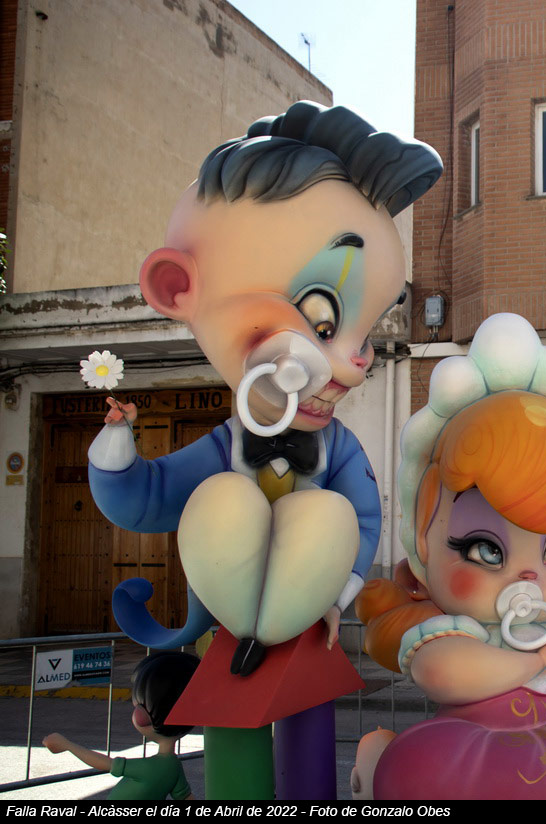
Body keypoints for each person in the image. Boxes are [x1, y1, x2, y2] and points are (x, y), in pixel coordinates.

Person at [86, 101, 442, 798]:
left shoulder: (338, 450)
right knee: (236, 750)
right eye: (323, 321)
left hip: (311, 626)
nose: (353, 366)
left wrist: (335, 594)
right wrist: (116, 440)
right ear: (178, 287)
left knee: (308, 742)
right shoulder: (223, 450)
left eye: (366, 333)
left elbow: (362, 517)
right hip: (226, 625)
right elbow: (146, 498)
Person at [356, 313, 546, 800]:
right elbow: (441, 670)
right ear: (425, 542)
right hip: (472, 745)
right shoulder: (462, 630)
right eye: (485, 550)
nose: (529, 574)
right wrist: (533, 664)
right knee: (421, 765)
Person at [43, 652, 200, 800]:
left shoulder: (149, 768)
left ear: (144, 716)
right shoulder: (174, 766)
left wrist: (67, 745)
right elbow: (184, 796)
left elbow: (105, 763)